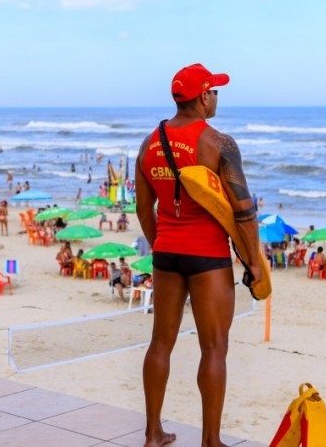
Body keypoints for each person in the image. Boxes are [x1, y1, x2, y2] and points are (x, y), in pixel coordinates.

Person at [135, 63, 262, 447]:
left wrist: (163, 243)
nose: (217, 98)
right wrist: (254, 261)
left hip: (166, 254)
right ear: (203, 96)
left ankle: (153, 433)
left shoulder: (148, 143)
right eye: (215, 91)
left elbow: (144, 209)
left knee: (161, 342)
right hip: (208, 257)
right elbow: (243, 209)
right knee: (214, 347)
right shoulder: (219, 143)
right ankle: (210, 440)